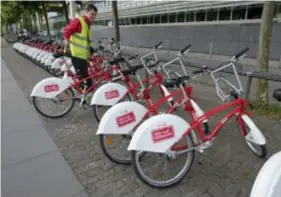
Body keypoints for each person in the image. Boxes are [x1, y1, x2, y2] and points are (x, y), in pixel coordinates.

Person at [63, 4, 98, 90]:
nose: (93, 17)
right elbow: (66, 31)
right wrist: (66, 43)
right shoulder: (79, 21)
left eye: (95, 15)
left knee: (86, 79)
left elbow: (84, 41)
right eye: (92, 14)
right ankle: (85, 98)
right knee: (85, 80)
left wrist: (90, 49)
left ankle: (85, 95)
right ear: (86, 12)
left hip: (83, 56)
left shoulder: (87, 25)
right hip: (77, 55)